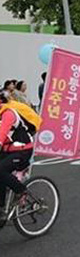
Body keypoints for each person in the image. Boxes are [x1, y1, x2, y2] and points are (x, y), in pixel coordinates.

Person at [0, 92, 39, 221]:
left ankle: (21, 190)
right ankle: (1, 209)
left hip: (23, 150)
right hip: (7, 151)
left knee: (0, 170)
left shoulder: (8, 114)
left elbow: (2, 135)